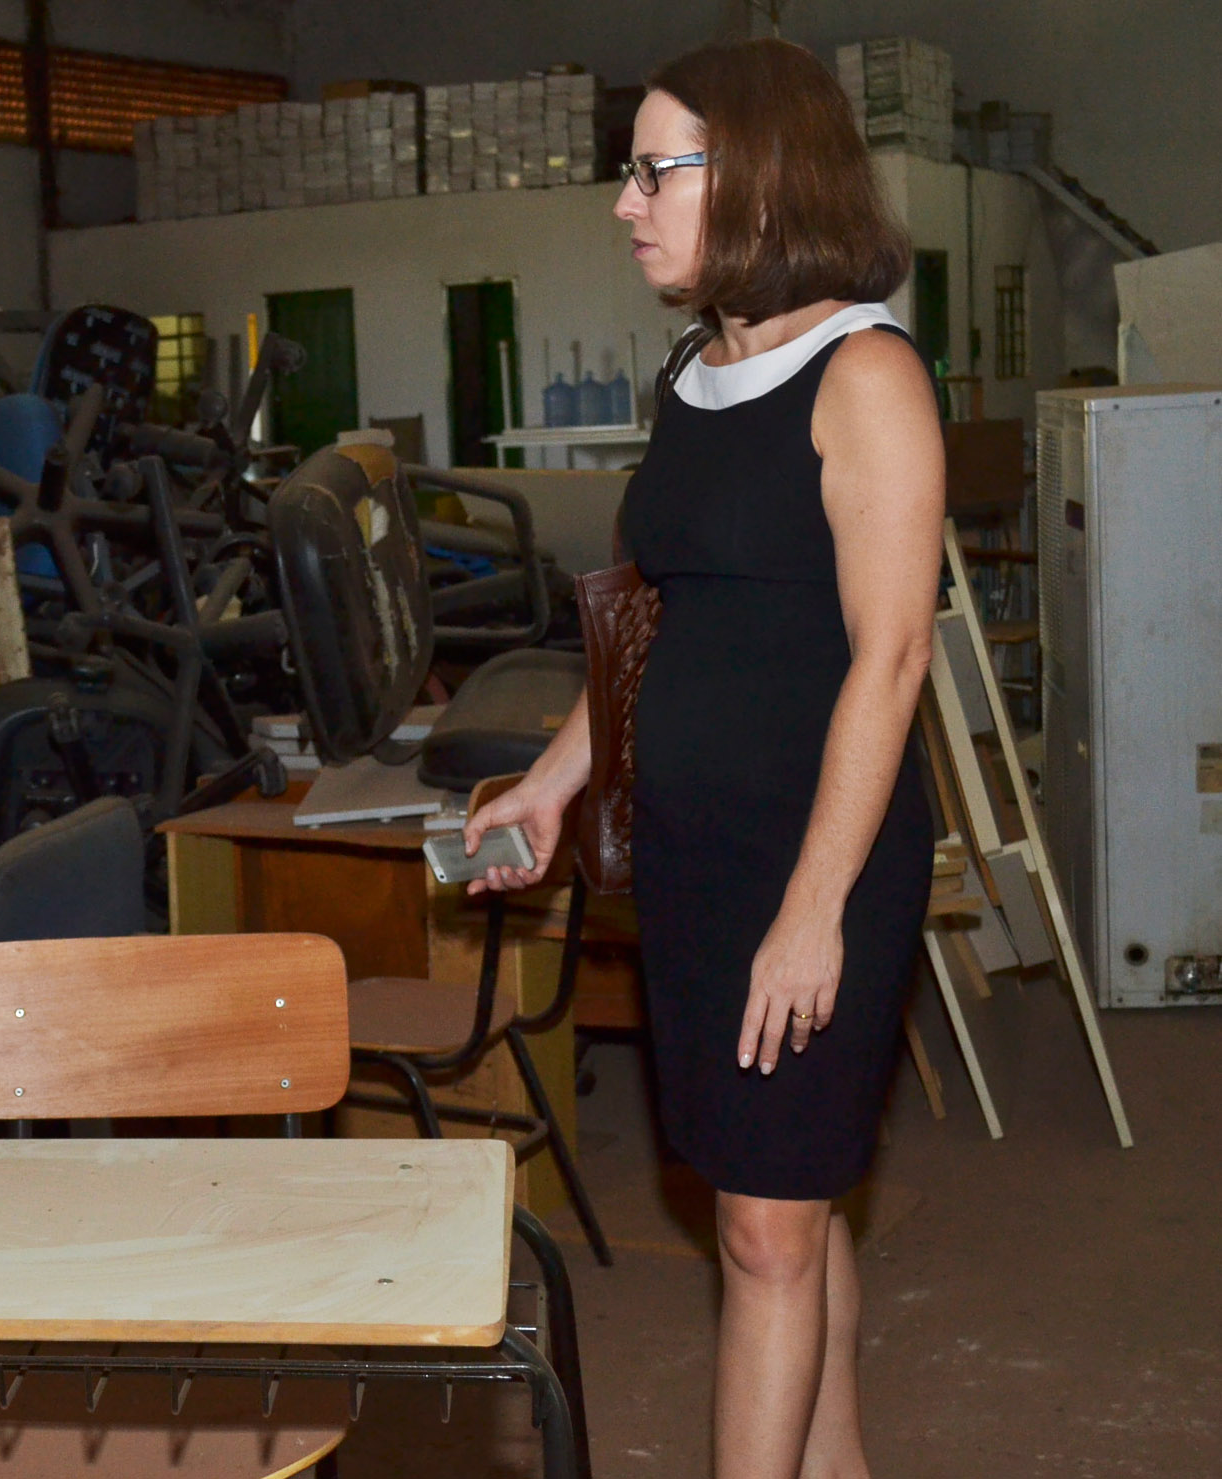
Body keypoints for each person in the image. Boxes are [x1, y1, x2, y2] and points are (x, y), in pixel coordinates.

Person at [464, 38, 941, 1479]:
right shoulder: (701, 373)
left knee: (764, 1232)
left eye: (653, 172)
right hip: (694, 861)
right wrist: (552, 782)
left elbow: (891, 660)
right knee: (781, 1200)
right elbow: (656, 620)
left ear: (760, 181)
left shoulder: (866, 375)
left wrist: (814, 911)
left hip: (816, 861)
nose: (626, 204)